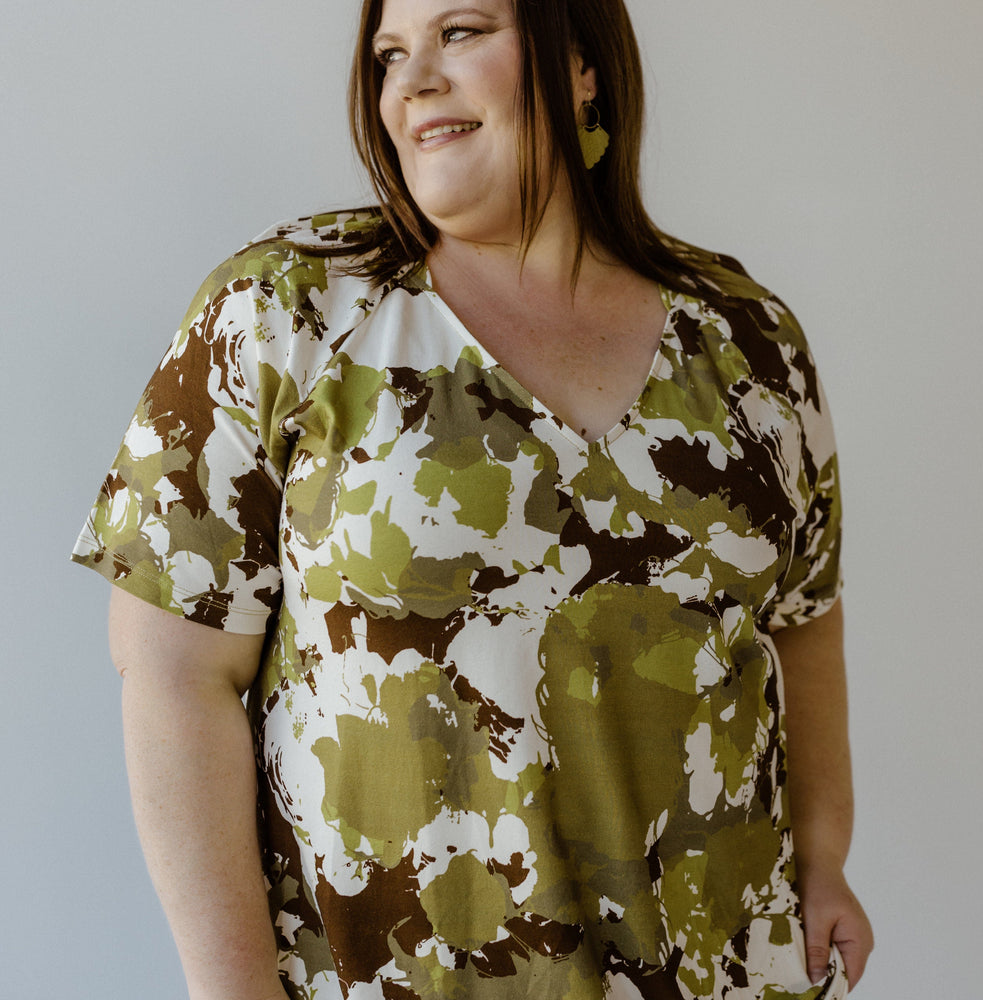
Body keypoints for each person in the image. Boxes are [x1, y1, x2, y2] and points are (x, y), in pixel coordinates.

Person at [72, 0, 873, 997]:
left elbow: (803, 619)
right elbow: (170, 672)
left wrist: (823, 851)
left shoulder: (749, 343)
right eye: (389, 54)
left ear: (580, 63)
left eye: (460, 32)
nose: (412, 81)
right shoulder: (285, 314)